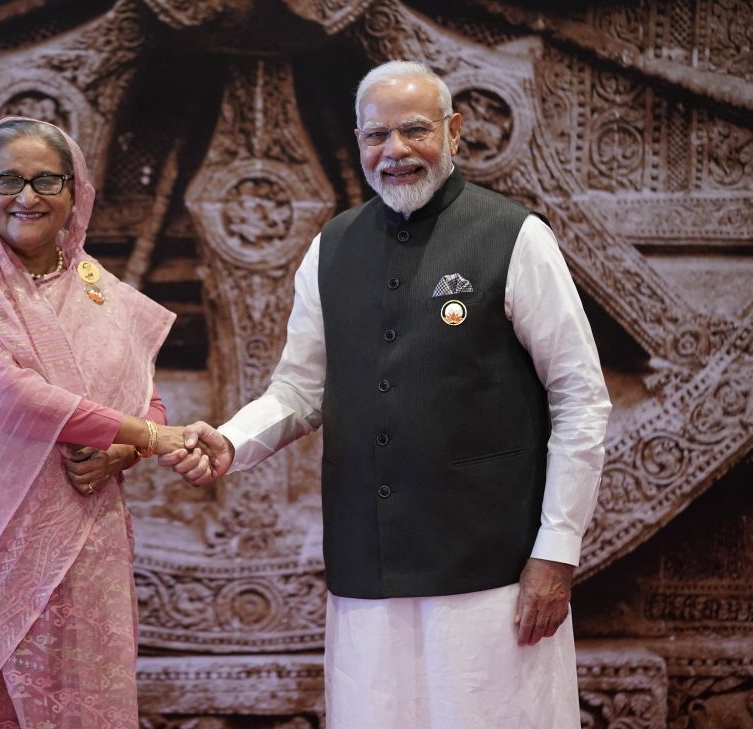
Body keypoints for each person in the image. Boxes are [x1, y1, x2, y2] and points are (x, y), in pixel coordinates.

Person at [163, 60, 612, 728]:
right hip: (364, 566)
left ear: (454, 132)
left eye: (413, 130)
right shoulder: (332, 247)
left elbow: (579, 396)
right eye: (376, 135)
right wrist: (230, 442)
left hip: (490, 569)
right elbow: (299, 387)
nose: (394, 151)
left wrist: (556, 550)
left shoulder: (515, 238)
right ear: (357, 142)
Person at [0, 116, 203, 729]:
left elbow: (144, 395)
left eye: (46, 180)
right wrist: (150, 439)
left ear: (75, 190)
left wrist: (122, 453)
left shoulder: (93, 288)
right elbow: (11, 394)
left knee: (84, 701)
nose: (26, 197)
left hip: (86, 541)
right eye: (8, 179)